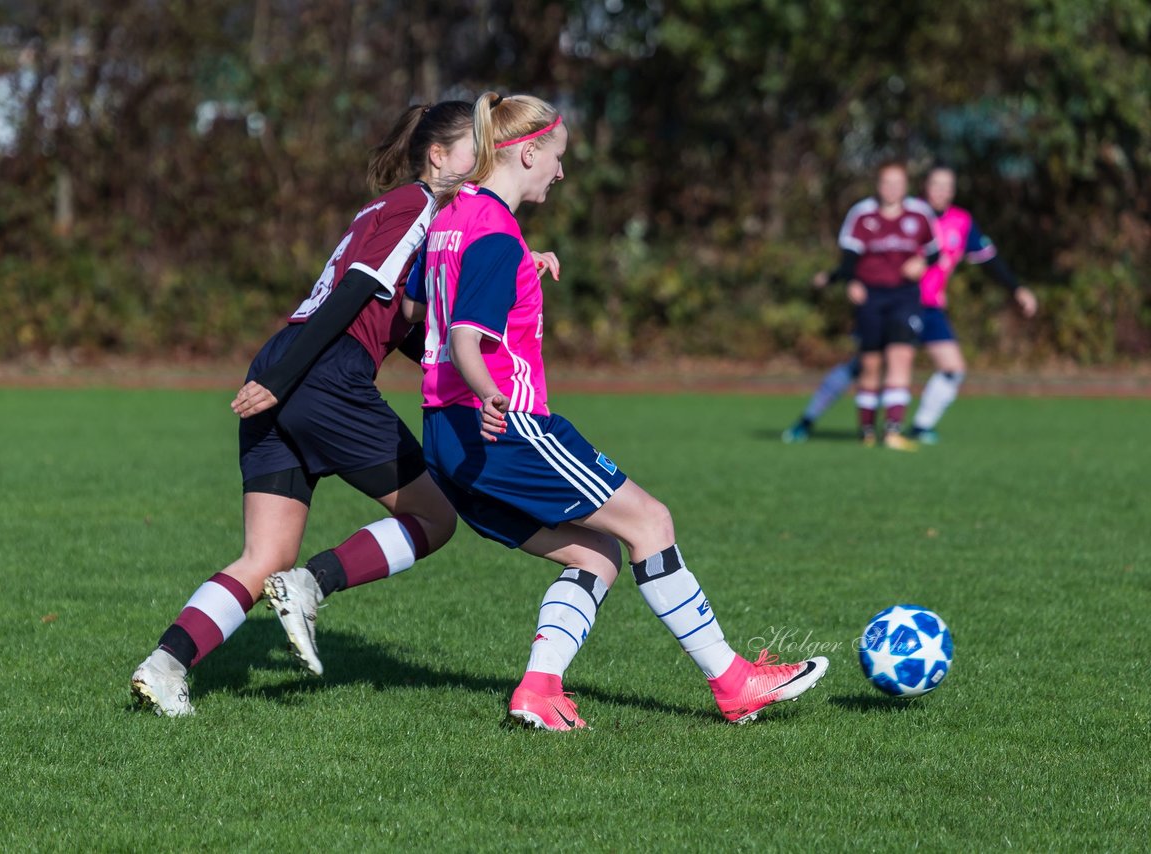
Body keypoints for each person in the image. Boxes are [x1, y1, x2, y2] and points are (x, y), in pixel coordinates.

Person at [404, 91, 828, 731]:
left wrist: (522, 267)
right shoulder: (494, 232)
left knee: (595, 554)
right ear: (524, 153)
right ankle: (734, 682)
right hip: (505, 428)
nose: (561, 172)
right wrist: (491, 392)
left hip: (446, 436)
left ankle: (538, 690)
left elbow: (419, 307)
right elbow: (466, 338)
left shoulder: (452, 219)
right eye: (557, 157)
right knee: (651, 522)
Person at [130, 101, 475, 717]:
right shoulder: (420, 209)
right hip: (320, 371)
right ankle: (315, 584)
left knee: (265, 556)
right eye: (478, 149)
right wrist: (288, 380)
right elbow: (358, 290)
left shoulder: (382, 207)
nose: (488, 162)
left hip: (284, 356)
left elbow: (396, 321)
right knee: (436, 517)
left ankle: (165, 666)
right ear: (439, 156)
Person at [781, 165, 1036, 444]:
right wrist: (835, 277)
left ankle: (920, 426)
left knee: (952, 368)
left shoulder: (961, 221)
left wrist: (1017, 289)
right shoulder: (908, 212)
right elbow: (865, 257)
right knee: (863, 367)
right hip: (894, 300)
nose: (941, 192)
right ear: (924, 186)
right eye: (936, 185)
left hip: (929, 306)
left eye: (947, 186)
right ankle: (808, 420)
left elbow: (988, 260)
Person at [796, 162, 939, 451]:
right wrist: (850, 281)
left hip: (904, 295)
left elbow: (935, 252)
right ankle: (866, 431)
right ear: (878, 184)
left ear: (906, 185)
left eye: (898, 183)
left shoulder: (919, 214)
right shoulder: (862, 214)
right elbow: (850, 257)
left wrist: (922, 262)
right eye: (887, 182)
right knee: (870, 364)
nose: (892, 189)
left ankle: (893, 431)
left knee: (901, 358)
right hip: (871, 297)